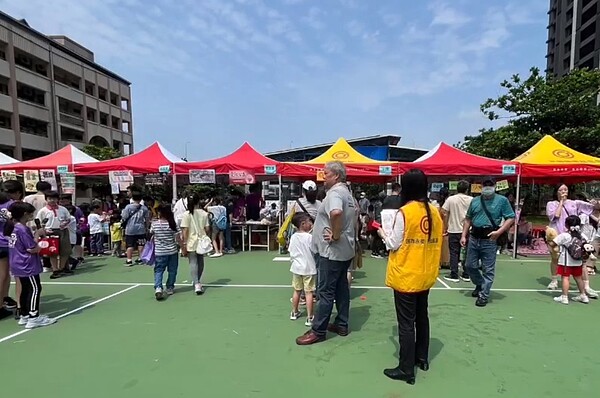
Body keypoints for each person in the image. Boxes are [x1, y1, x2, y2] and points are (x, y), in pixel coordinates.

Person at [377, 168, 443, 385]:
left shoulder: (404, 212)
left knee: (406, 323)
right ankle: (421, 357)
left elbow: (394, 244)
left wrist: (382, 234)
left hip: (407, 274)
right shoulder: (434, 212)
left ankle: (406, 368)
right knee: (421, 317)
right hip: (426, 273)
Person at [296, 161, 356, 346]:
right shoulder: (348, 194)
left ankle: (318, 330)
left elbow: (336, 212)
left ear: (336, 176)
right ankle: (342, 323)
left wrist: (336, 234)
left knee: (326, 291)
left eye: (326, 174)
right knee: (341, 288)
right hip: (345, 249)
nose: (323, 177)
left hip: (332, 251)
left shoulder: (336, 193)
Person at [461, 178, 515, 307]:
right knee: (469, 266)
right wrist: (464, 235)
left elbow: (511, 217)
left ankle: (483, 295)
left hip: (490, 238)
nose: (488, 188)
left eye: (490, 185)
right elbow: (468, 219)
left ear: (495, 186)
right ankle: (479, 283)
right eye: (485, 185)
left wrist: (500, 231)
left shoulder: (502, 201)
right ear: (481, 186)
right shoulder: (474, 201)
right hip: (474, 237)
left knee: (488, 269)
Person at [6, 202, 56, 329]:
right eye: (31, 213)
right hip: (27, 264)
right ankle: (34, 317)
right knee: (35, 289)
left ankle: (25, 314)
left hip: (16, 262)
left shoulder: (14, 227)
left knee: (26, 289)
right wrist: (38, 236)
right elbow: (32, 248)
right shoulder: (22, 229)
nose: (32, 215)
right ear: (24, 214)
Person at [546, 185, 598, 298]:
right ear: (556, 191)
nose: (563, 191)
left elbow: (592, 207)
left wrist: (595, 202)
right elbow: (555, 216)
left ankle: (586, 286)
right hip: (558, 234)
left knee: (581, 261)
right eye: (561, 190)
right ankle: (554, 280)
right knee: (555, 258)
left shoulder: (575, 203)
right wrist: (561, 202)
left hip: (573, 236)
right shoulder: (551, 204)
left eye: (565, 189)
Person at [549, 215, 590, 305]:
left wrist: (548, 238)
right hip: (578, 261)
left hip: (566, 262)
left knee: (565, 278)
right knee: (579, 278)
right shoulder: (582, 236)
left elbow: (552, 244)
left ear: (566, 225)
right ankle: (583, 296)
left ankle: (564, 297)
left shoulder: (564, 236)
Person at [289, 212, 317, 327]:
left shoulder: (294, 236)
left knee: (297, 291)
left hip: (296, 268)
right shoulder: (310, 237)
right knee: (309, 292)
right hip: (309, 268)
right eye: (309, 222)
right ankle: (310, 317)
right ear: (303, 224)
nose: (311, 224)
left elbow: (291, 251)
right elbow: (315, 250)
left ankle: (294, 312)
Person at [36, 191, 72, 279]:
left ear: (58, 199)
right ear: (46, 199)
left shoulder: (62, 209)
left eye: (54, 198)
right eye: (49, 198)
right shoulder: (43, 211)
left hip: (62, 231)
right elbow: (37, 221)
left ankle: (61, 268)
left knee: (65, 251)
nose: (52, 200)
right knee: (52, 252)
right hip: (50, 232)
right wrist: (44, 230)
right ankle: (55, 269)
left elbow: (69, 218)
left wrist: (65, 223)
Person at [441, 180, 472, 282]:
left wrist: (446, 225)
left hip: (453, 229)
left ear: (457, 188)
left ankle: (454, 274)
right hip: (467, 230)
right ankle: (466, 274)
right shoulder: (472, 200)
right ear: (467, 189)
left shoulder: (451, 199)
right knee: (467, 252)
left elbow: (443, 212)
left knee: (454, 253)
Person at [180, 194, 211, 295]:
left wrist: (184, 243)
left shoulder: (186, 214)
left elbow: (185, 230)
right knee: (200, 261)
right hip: (201, 240)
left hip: (190, 241)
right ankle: (197, 281)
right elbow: (207, 229)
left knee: (193, 263)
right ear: (199, 202)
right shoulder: (204, 213)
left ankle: (196, 282)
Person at [151, 204, 181, 301]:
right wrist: (183, 247)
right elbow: (178, 238)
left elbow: (151, 233)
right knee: (172, 270)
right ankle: (170, 287)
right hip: (172, 251)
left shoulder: (155, 224)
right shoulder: (172, 224)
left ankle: (158, 287)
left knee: (159, 270)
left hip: (160, 252)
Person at [121, 191, 150, 266]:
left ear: (132, 198)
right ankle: (140, 258)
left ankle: (129, 260)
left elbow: (124, 217)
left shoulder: (128, 207)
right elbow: (147, 219)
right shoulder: (144, 208)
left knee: (130, 245)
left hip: (130, 229)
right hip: (141, 228)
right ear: (141, 199)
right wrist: (147, 227)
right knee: (141, 244)